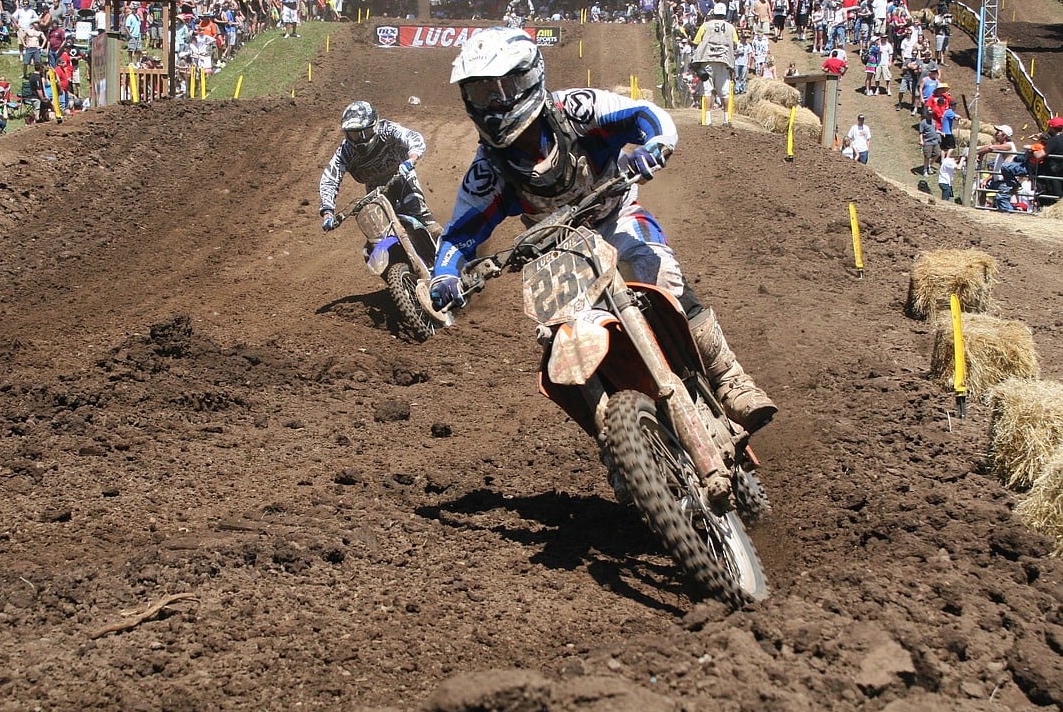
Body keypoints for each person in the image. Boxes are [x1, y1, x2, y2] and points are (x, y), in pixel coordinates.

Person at [431, 26, 777, 439]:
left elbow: (645, 116)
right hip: (556, 252)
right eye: (478, 94)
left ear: (527, 79)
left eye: (498, 90)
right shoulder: (488, 171)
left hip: (615, 215)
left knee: (656, 272)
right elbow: (458, 235)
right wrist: (445, 274)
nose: (490, 105)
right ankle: (619, 441)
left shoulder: (576, 110)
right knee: (556, 340)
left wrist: (653, 147)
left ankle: (729, 378)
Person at [319, 100, 440, 238]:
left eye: (364, 133)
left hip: (401, 176)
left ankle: (448, 249)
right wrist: (328, 212)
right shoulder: (345, 151)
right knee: (377, 235)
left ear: (374, 126)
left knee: (423, 219)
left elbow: (413, 137)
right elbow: (330, 179)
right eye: (353, 135)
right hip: (375, 189)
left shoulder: (387, 129)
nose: (359, 140)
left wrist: (411, 159)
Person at [692, 3, 736, 124]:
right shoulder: (730, 27)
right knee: (725, 92)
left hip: (707, 61)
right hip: (724, 61)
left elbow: (696, 41)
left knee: (707, 91)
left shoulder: (705, 26)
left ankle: (707, 119)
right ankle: (726, 119)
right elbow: (735, 43)